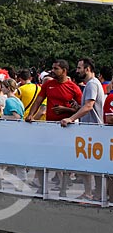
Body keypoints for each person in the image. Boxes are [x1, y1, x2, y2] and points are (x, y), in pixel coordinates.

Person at [26, 59, 82, 196]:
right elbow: (38, 100)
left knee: (63, 161)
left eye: (56, 68)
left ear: (64, 70)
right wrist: (31, 115)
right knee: (42, 157)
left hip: (66, 128)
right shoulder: (48, 84)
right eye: (53, 68)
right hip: (49, 127)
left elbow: (81, 109)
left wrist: (65, 110)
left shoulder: (74, 87)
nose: (53, 71)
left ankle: (63, 190)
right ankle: (42, 187)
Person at [60, 58, 104, 200]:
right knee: (91, 164)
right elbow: (89, 108)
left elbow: (89, 106)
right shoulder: (92, 83)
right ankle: (93, 193)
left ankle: (91, 193)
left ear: (88, 68)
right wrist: (77, 108)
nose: (77, 70)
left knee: (90, 164)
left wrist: (71, 118)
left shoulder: (92, 84)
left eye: (79, 68)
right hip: (92, 129)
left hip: (93, 130)